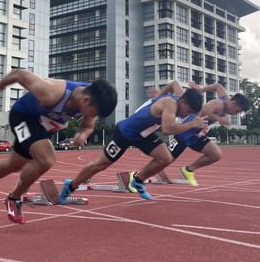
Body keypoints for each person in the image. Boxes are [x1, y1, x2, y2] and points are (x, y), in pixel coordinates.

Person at [0, 69, 117, 224]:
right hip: (23, 116)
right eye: (94, 113)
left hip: (44, 125)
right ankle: (14, 198)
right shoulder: (51, 92)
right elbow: (19, 74)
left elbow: (87, 126)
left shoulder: (91, 100)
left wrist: (82, 135)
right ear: (85, 100)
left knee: (14, 164)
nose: (93, 116)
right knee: (47, 159)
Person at [58, 81, 206, 201]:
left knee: (165, 158)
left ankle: (138, 179)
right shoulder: (170, 104)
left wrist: (156, 98)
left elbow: (174, 83)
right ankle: (70, 186)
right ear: (184, 102)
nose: (187, 115)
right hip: (126, 133)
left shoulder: (180, 97)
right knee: (101, 164)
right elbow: (167, 129)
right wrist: (191, 124)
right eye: (188, 112)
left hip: (145, 134)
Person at [169, 82, 250, 186]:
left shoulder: (225, 97)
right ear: (233, 104)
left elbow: (217, 86)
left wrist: (201, 90)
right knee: (166, 159)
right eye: (237, 111)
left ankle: (188, 170)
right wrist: (220, 119)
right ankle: (148, 173)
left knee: (216, 154)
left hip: (196, 136)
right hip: (184, 132)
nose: (236, 114)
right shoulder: (218, 104)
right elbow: (203, 108)